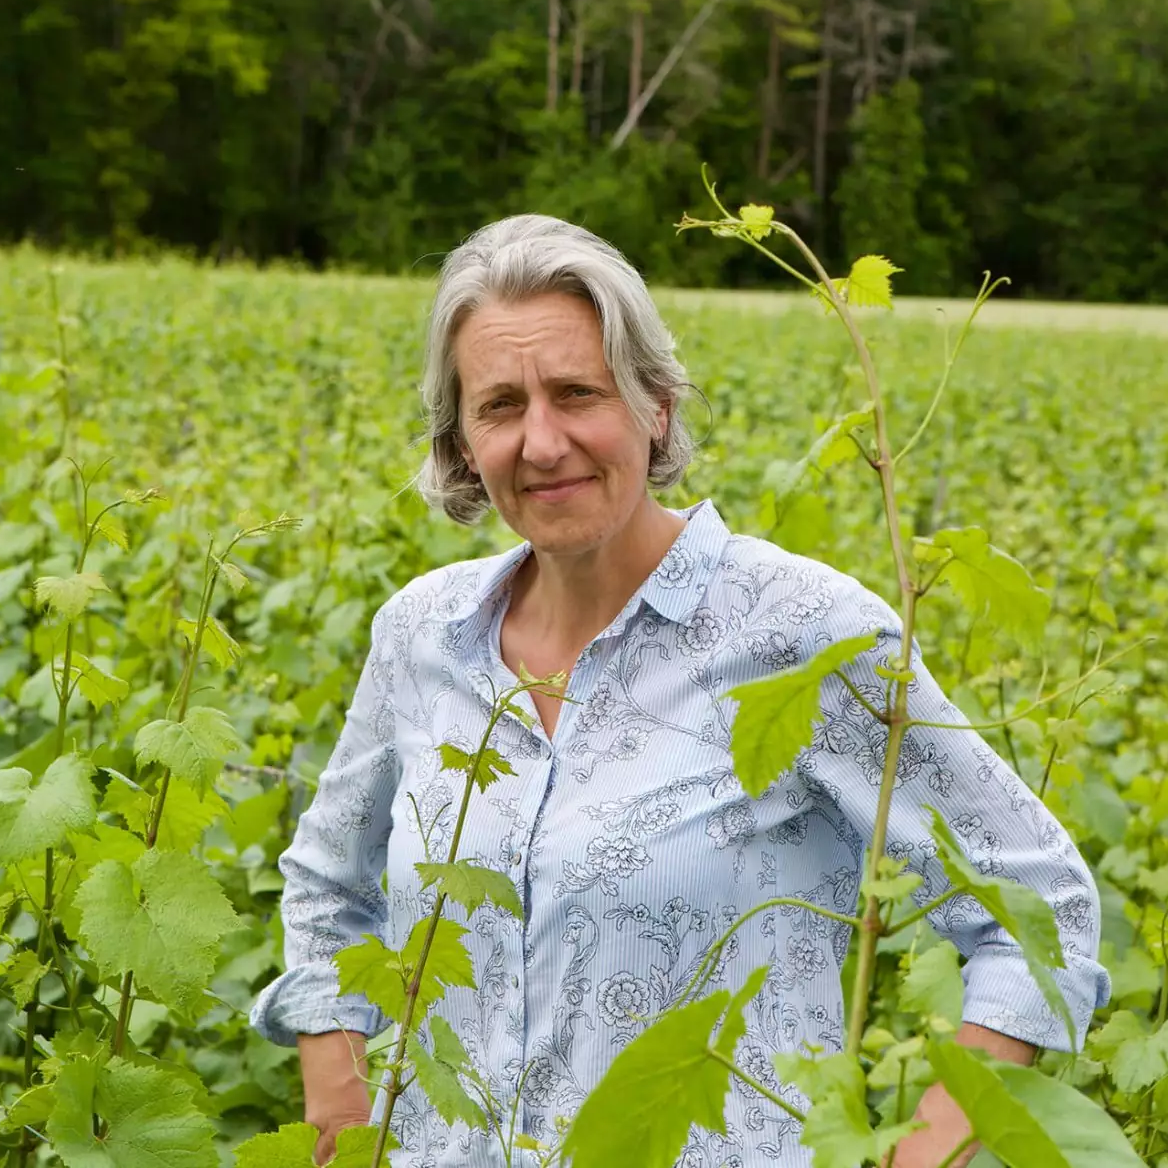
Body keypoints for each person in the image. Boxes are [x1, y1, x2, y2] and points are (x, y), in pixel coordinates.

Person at [250, 214, 1110, 1167]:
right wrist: (340, 1107)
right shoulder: (423, 635)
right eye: (499, 406)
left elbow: (1036, 902)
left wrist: (926, 1152)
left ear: (656, 404)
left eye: (578, 392)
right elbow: (329, 886)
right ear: (461, 438)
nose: (542, 443)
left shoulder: (802, 631)